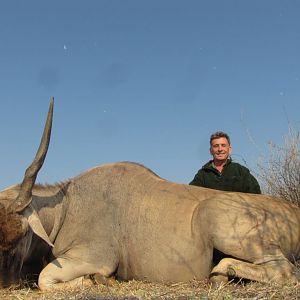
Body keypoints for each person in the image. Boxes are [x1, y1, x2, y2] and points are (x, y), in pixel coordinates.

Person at [189, 131, 261, 194]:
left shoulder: (241, 171)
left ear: (229, 149)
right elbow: (190, 195)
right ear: (211, 151)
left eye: (223, 145)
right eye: (216, 146)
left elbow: (256, 195)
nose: (220, 149)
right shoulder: (202, 174)